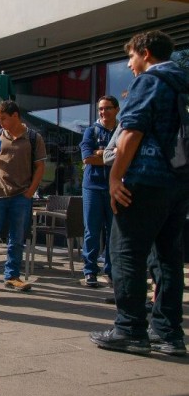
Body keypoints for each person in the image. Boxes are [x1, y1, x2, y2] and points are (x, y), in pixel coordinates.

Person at [91, 30, 189, 356]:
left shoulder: (150, 80)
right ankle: (169, 332)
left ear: (145, 52)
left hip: (144, 179)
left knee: (126, 252)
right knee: (168, 258)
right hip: (178, 182)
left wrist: (114, 177)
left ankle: (130, 329)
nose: (130, 65)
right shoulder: (183, 81)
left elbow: (131, 132)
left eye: (131, 57)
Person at [0, 100, 46, 292]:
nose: (0, 123)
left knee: (16, 238)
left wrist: (30, 191)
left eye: (3, 119)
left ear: (15, 116)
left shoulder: (33, 137)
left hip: (20, 195)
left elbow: (40, 167)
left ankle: (12, 276)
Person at [78, 95, 119, 287]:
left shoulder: (122, 131)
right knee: (91, 231)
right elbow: (87, 158)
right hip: (92, 187)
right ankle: (90, 271)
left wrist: (100, 153)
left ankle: (111, 271)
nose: (103, 112)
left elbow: (128, 156)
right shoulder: (91, 131)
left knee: (114, 232)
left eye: (107, 108)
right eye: (101, 109)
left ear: (117, 110)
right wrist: (112, 154)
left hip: (114, 187)